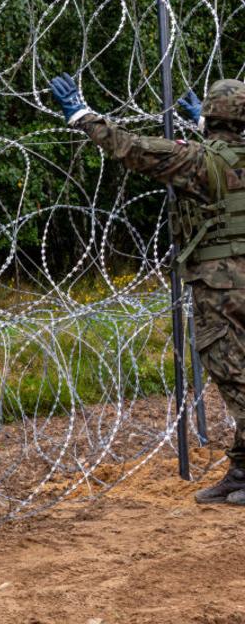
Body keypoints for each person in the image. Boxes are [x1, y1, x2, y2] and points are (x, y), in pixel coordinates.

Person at [50, 73, 245, 507]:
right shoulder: (217, 155)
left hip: (221, 286)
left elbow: (134, 149)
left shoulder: (198, 160)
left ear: (211, 116)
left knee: (233, 375)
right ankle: (242, 469)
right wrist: (203, 128)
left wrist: (83, 116)